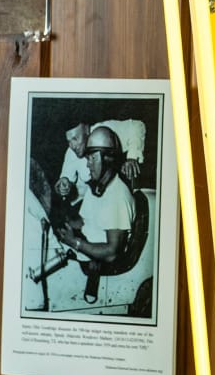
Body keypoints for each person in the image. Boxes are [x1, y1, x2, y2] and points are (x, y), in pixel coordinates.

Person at [52, 125, 150, 305]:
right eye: (88, 157)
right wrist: (64, 220)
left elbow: (112, 252)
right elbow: (84, 221)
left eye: (92, 158)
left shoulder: (118, 196)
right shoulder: (97, 188)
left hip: (96, 267)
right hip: (82, 253)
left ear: (108, 159)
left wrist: (74, 242)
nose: (87, 163)